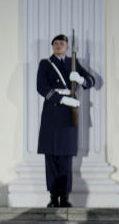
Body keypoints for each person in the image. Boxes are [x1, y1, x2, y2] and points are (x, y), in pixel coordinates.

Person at [36, 34, 95, 208]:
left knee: (65, 159)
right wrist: (61, 99)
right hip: (52, 114)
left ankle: (64, 196)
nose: (58, 46)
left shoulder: (72, 64)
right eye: (55, 43)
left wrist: (81, 79)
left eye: (62, 43)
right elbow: (41, 87)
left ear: (67, 47)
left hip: (69, 115)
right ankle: (53, 196)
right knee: (52, 157)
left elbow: (90, 81)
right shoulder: (45, 64)